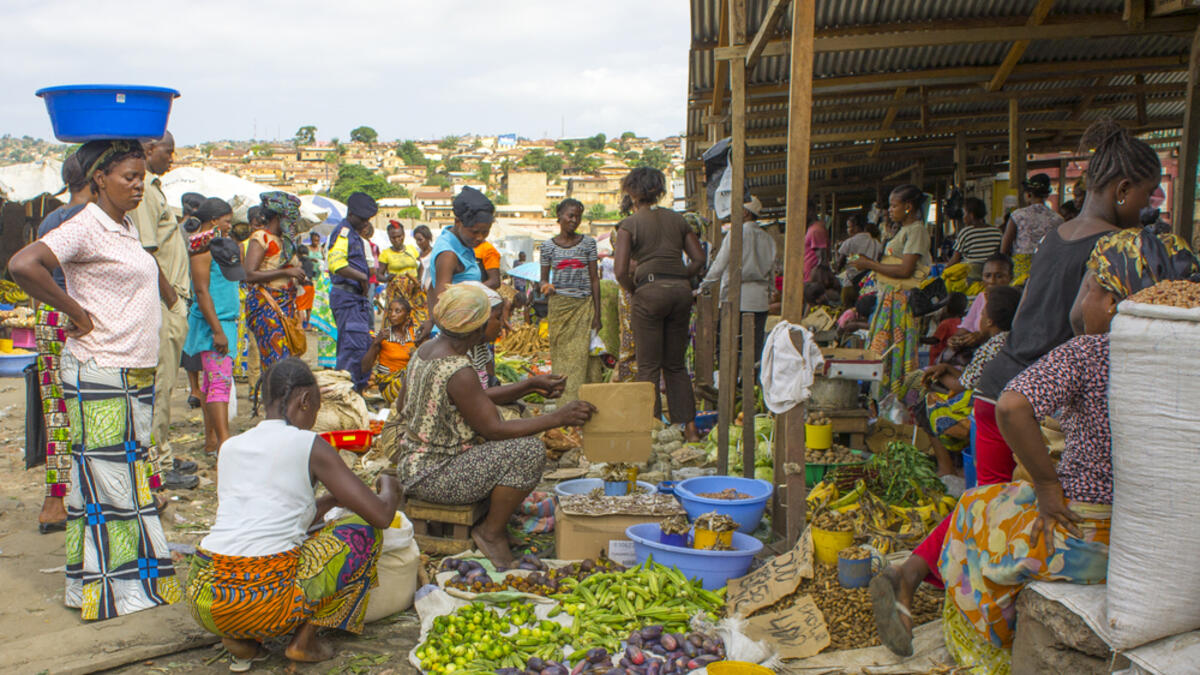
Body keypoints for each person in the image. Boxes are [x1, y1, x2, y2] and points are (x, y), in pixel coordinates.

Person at [870, 119, 1180, 658]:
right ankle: (984, 638)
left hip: (1001, 382)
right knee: (1002, 524)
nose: (1146, 206)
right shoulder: (1114, 250)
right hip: (1030, 397)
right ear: (1124, 190)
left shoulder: (1060, 233)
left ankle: (914, 575)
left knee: (985, 505)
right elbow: (1078, 327)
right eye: (1146, 193)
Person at [9, 139, 183, 620]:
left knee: (106, 484)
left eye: (141, 178)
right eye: (128, 177)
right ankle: (117, 591)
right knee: (113, 485)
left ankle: (94, 585)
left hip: (131, 369)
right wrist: (75, 311)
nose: (137, 185)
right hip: (102, 368)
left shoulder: (122, 227)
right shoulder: (84, 225)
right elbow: (23, 264)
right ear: (99, 180)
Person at [185, 358, 399, 667]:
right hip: (266, 597)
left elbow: (276, 513)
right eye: (316, 408)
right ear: (305, 400)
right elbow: (379, 514)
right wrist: (390, 486)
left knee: (307, 535)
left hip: (204, 591)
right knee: (362, 530)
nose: (315, 416)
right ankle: (304, 640)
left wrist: (334, 500)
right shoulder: (309, 443)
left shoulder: (231, 446)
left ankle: (238, 635)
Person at [394, 283, 595, 567]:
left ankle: (494, 522)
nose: (502, 326)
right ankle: (490, 532)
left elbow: (427, 403)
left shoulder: (426, 351)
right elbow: (492, 429)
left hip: (413, 466)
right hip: (435, 476)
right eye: (495, 319)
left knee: (507, 428)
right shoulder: (458, 369)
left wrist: (528, 385)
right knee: (528, 452)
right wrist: (558, 417)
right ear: (475, 327)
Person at [613, 167, 706, 441]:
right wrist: (679, 278)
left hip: (648, 293)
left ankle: (651, 430)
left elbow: (620, 272)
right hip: (680, 293)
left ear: (631, 193)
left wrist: (636, 290)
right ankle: (690, 429)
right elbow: (699, 259)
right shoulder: (677, 219)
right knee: (675, 365)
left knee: (648, 366)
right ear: (659, 192)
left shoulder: (629, 225)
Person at [130, 130, 198, 490]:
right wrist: (171, 299)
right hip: (162, 303)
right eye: (168, 151)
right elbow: (147, 252)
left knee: (165, 385)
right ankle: (156, 465)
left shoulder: (153, 189)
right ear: (149, 149)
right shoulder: (141, 193)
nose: (172, 158)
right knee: (159, 386)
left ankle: (164, 455)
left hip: (169, 301)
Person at [32, 154, 92, 533]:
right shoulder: (94, 220)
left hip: (49, 318)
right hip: (83, 319)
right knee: (107, 406)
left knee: (57, 412)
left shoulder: (50, 219)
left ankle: (54, 502)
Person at [918, 286, 1020, 475]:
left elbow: (961, 386)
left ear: (989, 321)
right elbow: (973, 379)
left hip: (984, 409)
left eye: (981, 313)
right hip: (1005, 404)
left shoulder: (988, 348)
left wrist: (936, 376)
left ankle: (946, 468)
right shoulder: (1014, 341)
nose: (977, 318)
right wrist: (947, 368)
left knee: (927, 404)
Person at [852, 185, 933, 397]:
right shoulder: (903, 231)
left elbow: (906, 270)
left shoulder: (917, 231)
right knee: (883, 354)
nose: (889, 210)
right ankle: (881, 400)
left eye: (893, 205)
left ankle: (895, 401)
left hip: (901, 303)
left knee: (896, 354)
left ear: (908, 207)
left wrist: (871, 265)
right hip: (890, 300)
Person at [182, 198, 242, 456]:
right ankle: (225, 443)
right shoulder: (202, 249)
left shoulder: (219, 247)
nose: (230, 226)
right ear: (215, 221)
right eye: (227, 221)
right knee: (219, 384)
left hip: (223, 322)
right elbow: (201, 291)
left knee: (211, 385)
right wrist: (217, 330)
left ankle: (212, 441)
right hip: (214, 325)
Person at [699, 195, 777, 363]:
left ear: (745, 213)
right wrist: (770, 291)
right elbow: (772, 272)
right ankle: (751, 384)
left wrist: (704, 286)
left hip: (735, 299)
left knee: (729, 346)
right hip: (759, 301)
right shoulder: (768, 239)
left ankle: (731, 385)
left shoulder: (736, 235)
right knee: (754, 348)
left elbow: (719, 265)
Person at [540, 198, 602, 402]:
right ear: (559, 216)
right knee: (562, 358)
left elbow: (595, 279)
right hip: (559, 308)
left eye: (578, 217)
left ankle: (584, 402)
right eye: (571, 216)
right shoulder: (548, 247)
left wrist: (597, 315)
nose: (575, 220)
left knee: (583, 358)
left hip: (584, 307)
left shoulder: (588, 244)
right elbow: (543, 279)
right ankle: (565, 405)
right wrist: (545, 287)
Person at [244, 191, 305, 390]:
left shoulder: (284, 242)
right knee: (275, 360)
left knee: (285, 360)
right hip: (267, 305)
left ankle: (280, 404)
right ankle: (275, 407)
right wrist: (288, 272)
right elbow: (249, 274)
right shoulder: (261, 237)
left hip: (285, 306)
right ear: (279, 217)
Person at [328, 192, 378, 391]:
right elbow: (336, 264)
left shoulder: (354, 234)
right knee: (351, 350)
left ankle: (357, 392)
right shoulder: (344, 233)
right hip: (348, 298)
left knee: (362, 346)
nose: (366, 223)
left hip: (356, 299)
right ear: (351, 214)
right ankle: (346, 395)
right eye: (363, 219)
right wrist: (363, 277)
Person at [947, 254, 1014, 355]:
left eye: (999, 276)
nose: (992, 281)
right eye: (987, 276)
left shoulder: (1013, 300)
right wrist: (954, 339)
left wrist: (982, 336)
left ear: (1010, 278)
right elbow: (966, 326)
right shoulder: (981, 297)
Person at [1002, 173, 1065, 279]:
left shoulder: (1018, 215)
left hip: (1021, 268)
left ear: (1028, 194)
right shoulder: (1058, 219)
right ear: (1046, 195)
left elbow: (1005, 246)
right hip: (1047, 267)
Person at [362, 296, 418, 405]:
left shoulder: (415, 335)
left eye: (398, 311)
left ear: (407, 315)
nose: (392, 314)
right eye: (390, 311)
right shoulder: (383, 336)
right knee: (408, 380)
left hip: (410, 380)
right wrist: (376, 343)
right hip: (389, 384)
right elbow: (365, 367)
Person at [947, 198, 1003, 268]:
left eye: (964, 213)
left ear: (971, 215)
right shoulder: (997, 232)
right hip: (992, 269)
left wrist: (944, 272)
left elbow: (956, 258)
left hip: (971, 272)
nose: (963, 217)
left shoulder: (966, 232)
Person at [924, 292, 968, 365]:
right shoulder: (960, 321)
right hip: (949, 359)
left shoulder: (945, 324)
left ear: (947, 308)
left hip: (937, 359)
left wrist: (919, 339)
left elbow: (935, 340)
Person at [804, 201, 829, 282]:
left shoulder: (816, 230)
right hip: (808, 278)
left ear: (810, 211)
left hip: (812, 281)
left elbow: (822, 260)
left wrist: (816, 282)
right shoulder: (811, 229)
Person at [413, 224, 434, 290]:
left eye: (420, 240)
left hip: (430, 289)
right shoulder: (416, 253)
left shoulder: (434, 254)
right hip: (418, 290)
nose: (418, 243)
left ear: (428, 238)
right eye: (416, 240)